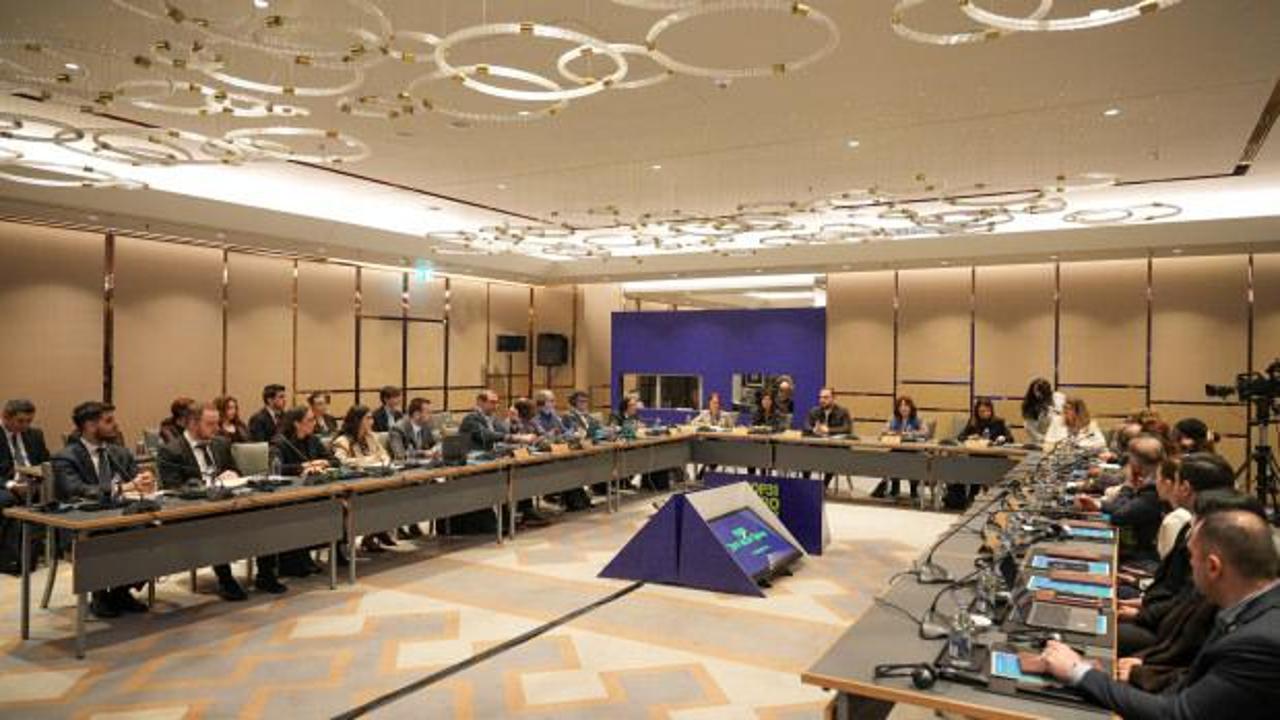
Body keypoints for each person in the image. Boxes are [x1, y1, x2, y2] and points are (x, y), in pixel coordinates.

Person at [1038, 504, 1280, 719]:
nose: (1190, 566)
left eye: (1192, 558)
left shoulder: (1261, 642)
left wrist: (1077, 671)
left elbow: (1178, 714)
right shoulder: (1249, 608)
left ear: (1213, 567)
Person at [1117, 452, 1235, 655]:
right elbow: (1174, 588)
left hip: (1175, 635)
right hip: (1166, 616)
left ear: (1185, 488)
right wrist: (1143, 605)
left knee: (1103, 630)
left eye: (1176, 481)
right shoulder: (1193, 522)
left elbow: (1189, 599)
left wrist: (1142, 614)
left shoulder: (1208, 534)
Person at [52, 401, 157, 618]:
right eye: (108, 421)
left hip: (121, 518)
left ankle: (120, 591)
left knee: (154, 534)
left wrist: (146, 481)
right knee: (109, 537)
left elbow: (135, 482)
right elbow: (76, 490)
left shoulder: (119, 453)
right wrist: (123, 487)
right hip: (82, 524)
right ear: (90, 426)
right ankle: (99, 594)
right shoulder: (65, 457)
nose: (115, 425)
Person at [156, 403, 248, 601]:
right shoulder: (171, 451)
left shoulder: (221, 444)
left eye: (217, 423)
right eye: (210, 424)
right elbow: (174, 489)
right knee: (216, 523)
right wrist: (211, 484)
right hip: (193, 512)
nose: (216, 428)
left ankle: (267, 573)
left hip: (225, 503)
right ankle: (225, 578)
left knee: (264, 513)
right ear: (192, 423)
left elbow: (236, 471)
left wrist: (233, 474)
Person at [260, 406, 337, 588]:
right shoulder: (280, 442)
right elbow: (276, 468)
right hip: (287, 497)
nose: (314, 423)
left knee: (330, 507)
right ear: (297, 423)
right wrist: (303, 467)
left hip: (311, 493)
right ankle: (291, 560)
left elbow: (335, 461)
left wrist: (323, 462)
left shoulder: (313, 440)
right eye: (310, 420)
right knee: (299, 511)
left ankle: (306, 554)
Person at [1078, 433, 1166, 568]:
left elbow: (1119, 516)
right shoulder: (1151, 479)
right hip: (1138, 549)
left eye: (1131, 458)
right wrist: (1098, 505)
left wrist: (1128, 485)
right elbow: (1125, 507)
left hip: (1144, 557)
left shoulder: (1153, 488)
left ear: (1136, 462)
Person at [332, 405, 396, 553]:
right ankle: (373, 532)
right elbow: (341, 462)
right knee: (377, 497)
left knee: (389, 494)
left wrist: (383, 461)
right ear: (357, 420)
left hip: (372, 481)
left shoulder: (371, 437)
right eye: (368, 418)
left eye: (372, 418)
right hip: (351, 486)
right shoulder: (342, 441)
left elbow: (384, 455)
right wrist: (369, 460)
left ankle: (373, 533)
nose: (372, 421)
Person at [1, 399, 50, 575]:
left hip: (33, 482)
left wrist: (40, 480)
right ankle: (11, 555)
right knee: (7, 498)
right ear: (5, 417)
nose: (25, 426)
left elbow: (45, 462)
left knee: (62, 490)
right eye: (20, 421)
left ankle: (59, 547)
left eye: (29, 421)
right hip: (6, 484)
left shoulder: (35, 434)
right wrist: (12, 485)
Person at [388, 397, 435, 539]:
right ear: (416, 414)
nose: (430, 415)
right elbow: (400, 455)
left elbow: (434, 445)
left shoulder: (426, 427)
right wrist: (424, 453)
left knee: (437, 488)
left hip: (421, 470)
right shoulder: (398, 429)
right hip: (402, 473)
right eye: (428, 412)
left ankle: (417, 522)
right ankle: (401, 525)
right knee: (414, 488)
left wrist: (437, 449)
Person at [872, 396, 929, 499]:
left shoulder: (918, 418)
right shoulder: (893, 418)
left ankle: (913, 489)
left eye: (906, 405)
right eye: (901, 406)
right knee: (891, 457)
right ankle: (895, 487)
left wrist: (912, 433)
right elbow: (883, 431)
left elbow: (925, 432)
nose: (903, 408)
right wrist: (890, 432)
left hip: (913, 450)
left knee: (914, 460)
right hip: (898, 448)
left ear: (911, 407)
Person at [459, 390, 535, 451]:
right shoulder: (471, 418)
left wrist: (514, 424)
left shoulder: (493, 418)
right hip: (474, 456)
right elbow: (487, 436)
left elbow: (504, 433)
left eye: (497, 403)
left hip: (490, 455)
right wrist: (518, 438)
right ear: (480, 402)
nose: (496, 406)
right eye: (492, 402)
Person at [1020, 377, 1064, 444]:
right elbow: (1030, 427)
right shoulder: (1030, 405)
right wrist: (1045, 440)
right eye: (1037, 392)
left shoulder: (1058, 398)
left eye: (1042, 392)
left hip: (1058, 438)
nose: (1039, 395)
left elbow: (1062, 420)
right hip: (1039, 440)